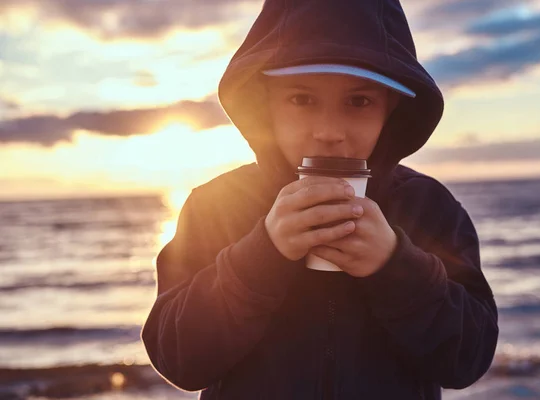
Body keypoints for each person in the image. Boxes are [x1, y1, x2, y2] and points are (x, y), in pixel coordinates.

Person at [141, 0, 499, 399]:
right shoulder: (216, 206)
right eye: (302, 99)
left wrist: (395, 265)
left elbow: (469, 357)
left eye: (359, 101)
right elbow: (178, 358)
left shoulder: (431, 207)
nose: (329, 131)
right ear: (265, 104)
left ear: (391, 108)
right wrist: (261, 257)